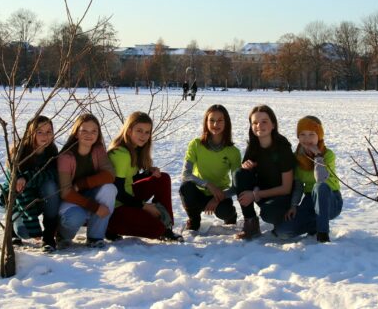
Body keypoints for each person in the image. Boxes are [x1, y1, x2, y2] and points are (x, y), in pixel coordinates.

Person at [106, 111, 183, 241]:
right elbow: (117, 192)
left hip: (127, 197)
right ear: (129, 130)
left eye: (147, 132)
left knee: (162, 178)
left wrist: (149, 173)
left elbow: (130, 180)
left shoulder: (135, 149)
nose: (144, 135)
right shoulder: (121, 154)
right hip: (113, 209)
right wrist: (145, 206)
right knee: (155, 229)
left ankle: (166, 227)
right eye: (139, 131)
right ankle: (110, 228)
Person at [274, 116, 342, 243]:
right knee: (283, 232)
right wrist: (294, 205)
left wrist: (318, 155)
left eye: (312, 134)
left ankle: (322, 235)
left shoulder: (328, 155)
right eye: (302, 134)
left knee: (320, 187)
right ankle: (314, 224)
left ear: (319, 136)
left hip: (331, 199)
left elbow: (320, 179)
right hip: (310, 200)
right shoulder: (297, 158)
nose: (307, 139)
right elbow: (298, 185)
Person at [233, 105, 297, 240]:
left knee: (269, 213)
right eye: (255, 122)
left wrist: (255, 194)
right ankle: (250, 222)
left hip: (282, 197)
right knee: (239, 173)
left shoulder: (283, 148)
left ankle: (285, 221)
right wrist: (246, 167)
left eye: (264, 121)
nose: (259, 126)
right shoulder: (253, 147)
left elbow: (286, 188)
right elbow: (242, 180)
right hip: (262, 194)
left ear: (273, 124)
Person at [56, 114, 117, 249]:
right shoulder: (65, 157)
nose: (89, 134)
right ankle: (62, 235)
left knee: (110, 189)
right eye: (84, 130)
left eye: (94, 131)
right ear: (76, 133)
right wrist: (95, 207)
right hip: (69, 200)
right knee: (76, 216)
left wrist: (81, 184)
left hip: (88, 193)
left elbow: (110, 175)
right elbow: (66, 193)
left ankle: (95, 237)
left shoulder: (98, 150)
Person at [0, 115, 60, 252]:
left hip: (39, 194)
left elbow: (52, 174)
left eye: (48, 131)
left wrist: (27, 177)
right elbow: (17, 190)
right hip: (17, 199)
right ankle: (12, 231)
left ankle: (49, 236)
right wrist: (33, 225)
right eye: (40, 132)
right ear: (31, 133)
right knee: (25, 232)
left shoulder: (51, 151)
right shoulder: (18, 152)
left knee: (51, 186)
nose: (45, 136)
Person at [180, 105, 241, 232]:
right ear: (206, 122)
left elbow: (237, 186)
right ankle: (194, 220)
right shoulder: (196, 144)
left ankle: (231, 215)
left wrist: (218, 196)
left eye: (220, 120)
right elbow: (186, 174)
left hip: (220, 195)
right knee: (185, 188)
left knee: (225, 212)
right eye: (211, 120)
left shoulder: (233, 152)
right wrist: (208, 185)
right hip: (199, 192)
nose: (215, 124)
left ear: (227, 122)